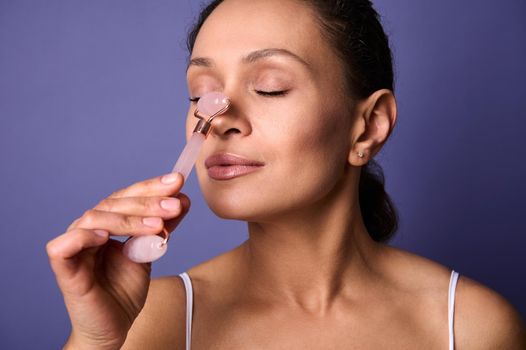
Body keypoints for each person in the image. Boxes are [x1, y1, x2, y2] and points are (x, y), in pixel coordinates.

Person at [46, 0, 526, 349]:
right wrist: (95, 340)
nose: (217, 118)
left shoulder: (469, 327)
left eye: (270, 87)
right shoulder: (149, 322)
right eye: (200, 94)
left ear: (369, 126)